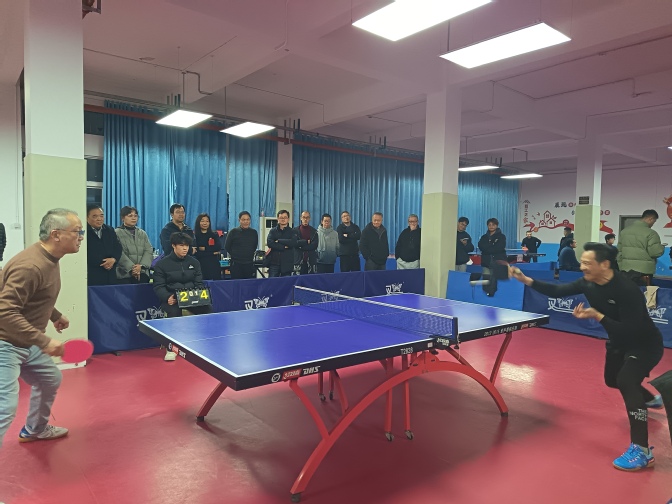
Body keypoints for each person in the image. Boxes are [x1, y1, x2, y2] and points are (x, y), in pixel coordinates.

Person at [510, 242, 664, 471]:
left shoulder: (627, 290)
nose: (582, 267)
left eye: (587, 263)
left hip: (644, 344)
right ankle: (650, 399)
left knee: (626, 380)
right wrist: (526, 280)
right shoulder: (588, 282)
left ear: (605, 264)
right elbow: (558, 290)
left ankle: (642, 451)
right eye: (582, 262)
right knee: (612, 380)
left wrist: (597, 316)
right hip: (618, 342)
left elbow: (630, 330)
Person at [0, 208, 84, 447]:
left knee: (50, 379)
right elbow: (5, 311)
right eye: (77, 231)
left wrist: (54, 315)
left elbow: (35, 295)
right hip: (6, 343)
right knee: (4, 408)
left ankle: (34, 429)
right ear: (56, 234)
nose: (81, 237)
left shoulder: (49, 259)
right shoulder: (31, 266)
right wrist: (45, 341)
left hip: (27, 342)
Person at [153, 232, 212, 361]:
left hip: (191, 299)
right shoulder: (162, 264)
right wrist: (167, 297)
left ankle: (206, 344)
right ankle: (171, 348)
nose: (185, 248)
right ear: (173, 246)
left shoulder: (194, 262)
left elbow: (199, 283)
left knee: (208, 309)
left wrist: (198, 296)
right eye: (181, 245)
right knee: (174, 313)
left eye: (187, 246)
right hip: (173, 299)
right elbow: (159, 286)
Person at [618, 210, 665, 286]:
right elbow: (655, 252)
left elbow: (619, 252)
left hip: (625, 270)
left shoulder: (624, 232)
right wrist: (662, 248)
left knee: (627, 291)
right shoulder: (651, 233)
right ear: (650, 219)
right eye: (654, 221)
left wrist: (621, 266)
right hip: (644, 272)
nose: (653, 224)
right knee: (643, 292)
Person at [115, 206, 153, 284]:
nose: (133, 218)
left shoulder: (142, 233)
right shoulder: (116, 233)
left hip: (142, 273)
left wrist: (141, 266)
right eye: (130, 216)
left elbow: (148, 250)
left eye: (135, 216)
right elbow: (118, 252)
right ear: (123, 218)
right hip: (124, 273)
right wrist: (132, 269)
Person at [86, 204, 122, 286]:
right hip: (92, 275)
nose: (99, 219)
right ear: (87, 217)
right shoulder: (83, 232)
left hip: (110, 274)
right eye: (95, 216)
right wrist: (103, 263)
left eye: (101, 216)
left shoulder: (109, 230)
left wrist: (113, 259)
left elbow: (118, 247)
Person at [224, 211, 258, 279]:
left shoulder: (254, 232)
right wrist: (235, 255)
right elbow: (227, 247)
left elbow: (254, 246)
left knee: (248, 283)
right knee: (237, 283)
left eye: (248, 219)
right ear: (239, 220)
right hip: (236, 264)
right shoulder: (233, 232)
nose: (246, 221)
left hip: (249, 264)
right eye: (243, 219)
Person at [266, 209, 295, 277]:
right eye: (281, 218)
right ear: (278, 219)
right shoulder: (273, 231)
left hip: (287, 263)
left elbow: (293, 243)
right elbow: (270, 243)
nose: (283, 219)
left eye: (285, 217)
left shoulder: (292, 231)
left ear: (288, 219)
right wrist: (283, 247)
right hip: (274, 263)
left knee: (286, 283)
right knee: (272, 282)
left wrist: (278, 241)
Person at [193, 213, 222, 280]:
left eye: (207, 221)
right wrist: (212, 253)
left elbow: (218, 247)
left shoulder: (214, 234)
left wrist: (205, 248)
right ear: (198, 222)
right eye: (202, 221)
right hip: (201, 264)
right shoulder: (195, 236)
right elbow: (197, 253)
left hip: (214, 264)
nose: (205, 223)